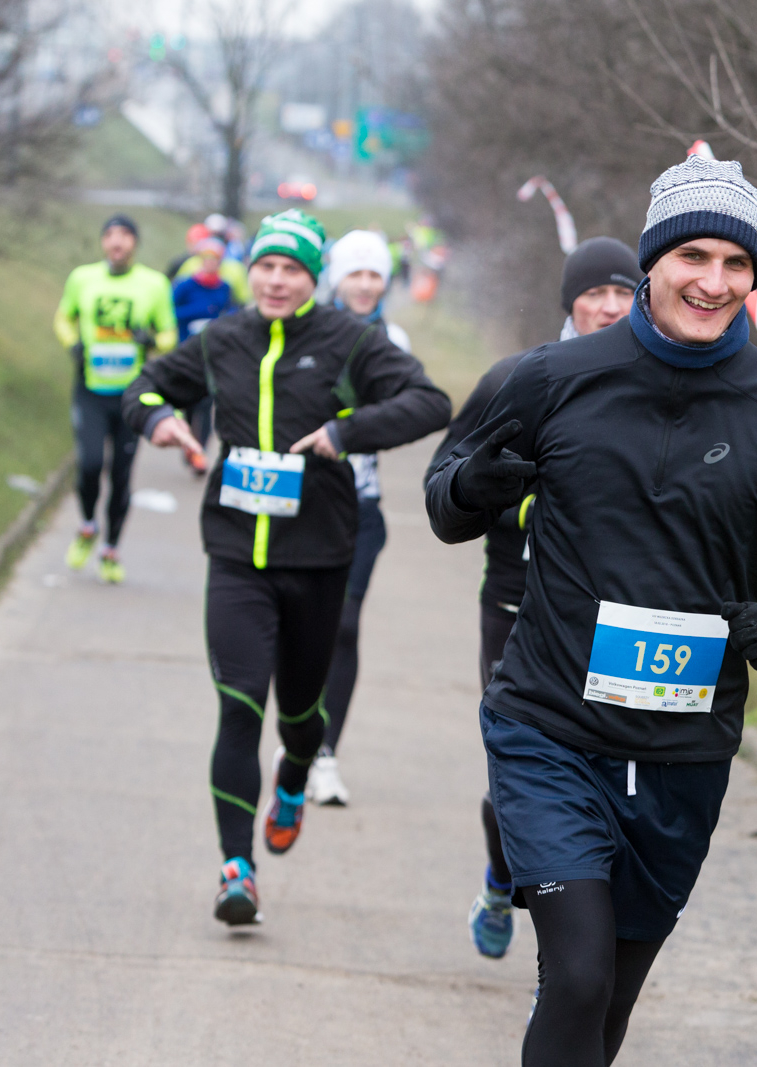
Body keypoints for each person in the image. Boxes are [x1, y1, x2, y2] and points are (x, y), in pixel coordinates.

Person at [426, 156, 757, 1065]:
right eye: (693, 257)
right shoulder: (553, 378)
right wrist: (476, 481)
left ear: (754, 277)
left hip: (684, 753)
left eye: (736, 264)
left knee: (609, 1006)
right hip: (549, 730)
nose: (713, 282)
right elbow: (444, 500)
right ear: (652, 261)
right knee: (581, 973)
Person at [123, 210, 451, 926]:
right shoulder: (222, 339)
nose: (275, 280)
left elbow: (430, 403)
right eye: (266, 266)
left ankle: (297, 768)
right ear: (252, 270)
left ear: (313, 278)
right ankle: (235, 868)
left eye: (292, 270)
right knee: (240, 703)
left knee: (300, 711)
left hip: (318, 556)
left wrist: (345, 430)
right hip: (237, 555)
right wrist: (160, 421)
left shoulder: (350, 342)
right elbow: (143, 388)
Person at [424, 235, 642, 960]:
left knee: (608, 784)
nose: (609, 305)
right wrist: (482, 486)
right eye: (595, 293)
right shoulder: (523, 378)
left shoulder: (657, 386)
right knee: (518, 780)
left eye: (622, 291)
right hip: (517, 605)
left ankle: (575, 950)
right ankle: (500, 877)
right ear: (568, 303)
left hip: (616, 618)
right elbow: (446, 479)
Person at [305, 229, 406, 807]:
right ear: (335, 279)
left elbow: (406, 414)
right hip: (301, 502)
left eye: (375, 275)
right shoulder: (308, 332)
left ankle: (324, 754)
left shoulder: (392, 339)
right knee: (301, 629)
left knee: (344, 626)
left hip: (361, 506)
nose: (365, 285)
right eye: (356, 274)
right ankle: (298, 732)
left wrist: (355, 427)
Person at [53, 214, 177, 584]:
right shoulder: (83, 278)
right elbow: (63, 317)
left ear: (135, 243)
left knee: (121, 476)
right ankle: (88, 524)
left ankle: (111, 549)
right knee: (90, 464)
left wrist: (151, 342)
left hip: (131, 396)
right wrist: (72, 344)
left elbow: (170, 333)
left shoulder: (153, 284)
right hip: (91, 389)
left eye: (125, 236)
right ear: (103, 242)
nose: (117, 242)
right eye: (110, 235)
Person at [171, 234, 242, 474]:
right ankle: (188, 445)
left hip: (213, 356)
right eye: (207, 259)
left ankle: (199, 451)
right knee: (189, 406)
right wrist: (198, 312)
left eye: (216, 259)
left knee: (207, 405)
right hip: (187, 353)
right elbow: (172, 314)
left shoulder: (225, 288)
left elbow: (231, 313)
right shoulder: (185, 286)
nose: (211, 263)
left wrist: (220, 319)